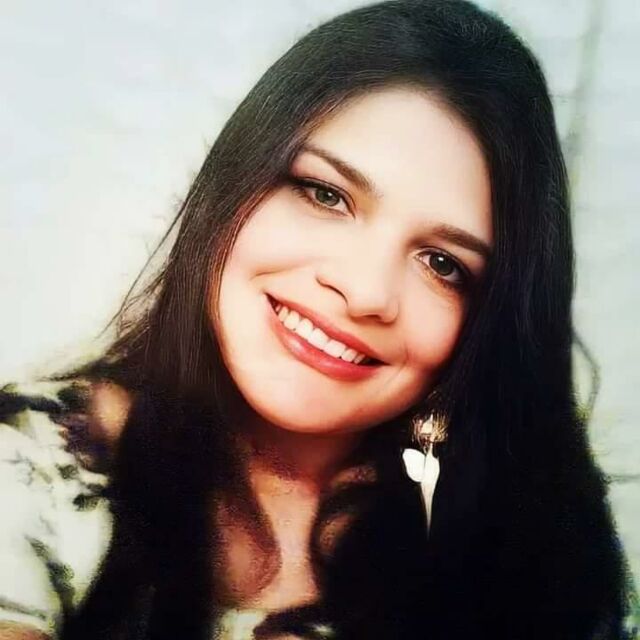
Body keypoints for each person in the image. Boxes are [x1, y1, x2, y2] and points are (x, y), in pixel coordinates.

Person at [0, 0, 638, 638]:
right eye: (325, 194)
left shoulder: (534, 548)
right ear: (232, 186)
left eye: (442, 263)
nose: (364, 291)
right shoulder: (34, 461)